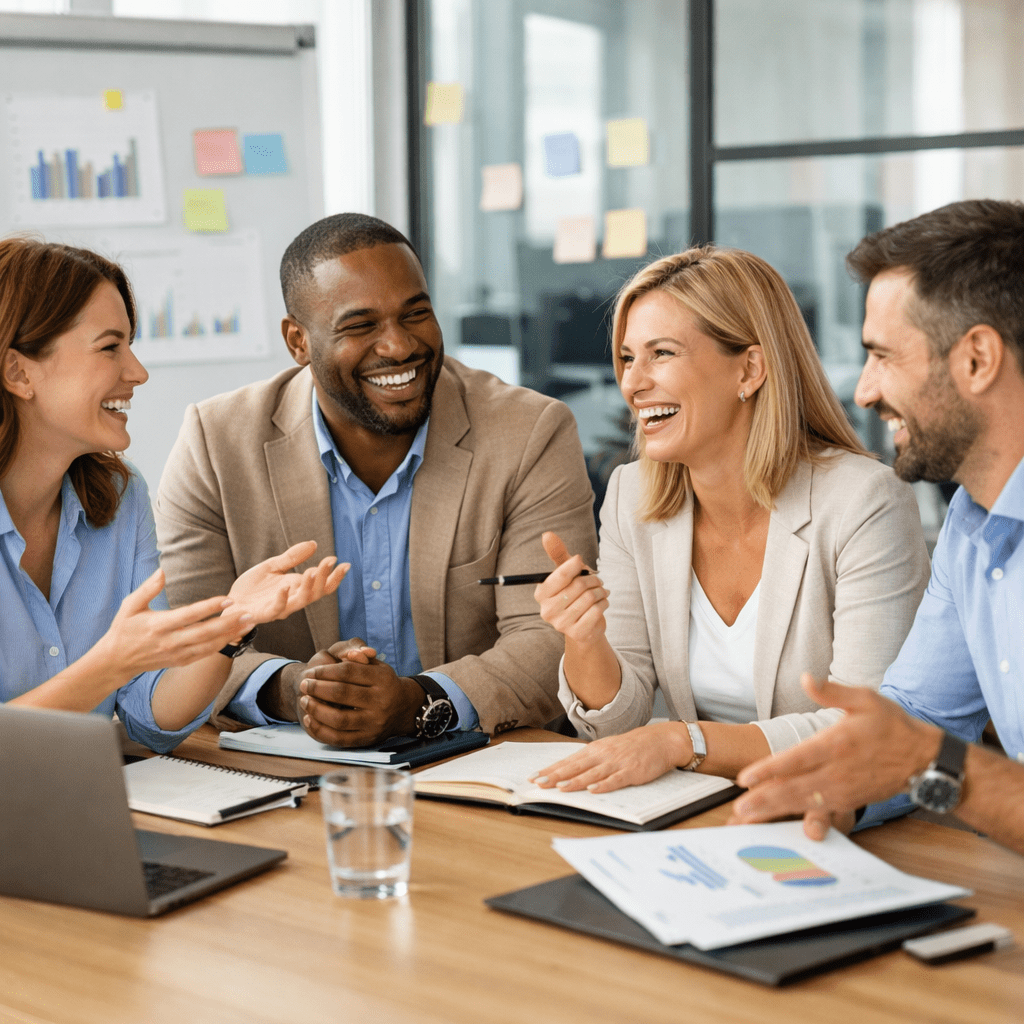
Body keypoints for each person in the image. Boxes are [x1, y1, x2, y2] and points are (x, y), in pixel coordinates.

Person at [154, 213, 597, 747]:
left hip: (481, 764)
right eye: (360, 325)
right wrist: (295, 690)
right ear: (298, 341)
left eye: (416, 314)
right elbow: (186, 640)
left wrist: (418, 702)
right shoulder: (215, 443)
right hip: (286, 768)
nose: (399, 346)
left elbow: (555, 639)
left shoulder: (529, 432)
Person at [530, 246, 930, 794]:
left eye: (661, 354)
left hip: (831, 810)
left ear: (749, 368)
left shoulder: (865, 503)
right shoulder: (631, 496)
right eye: (627, 358)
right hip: (695, 809)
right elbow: (615, 724)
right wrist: (585, 639)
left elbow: (868, 728)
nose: (632, 383)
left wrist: (682, 742)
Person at [730, 200, 1024, 854]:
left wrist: (939, 767)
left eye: (883, 357)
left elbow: (922, 750)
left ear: (976, 359)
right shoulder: (971, 523)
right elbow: (918, 718)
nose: (863, 392)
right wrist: (840, 794)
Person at [0, 238, 347, 753]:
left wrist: (230, 625)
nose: (137, 372)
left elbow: (149, 714)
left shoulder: (120, 497)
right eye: (109, 347)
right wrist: (109, 664)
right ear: (19, 372)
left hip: (77, 809)